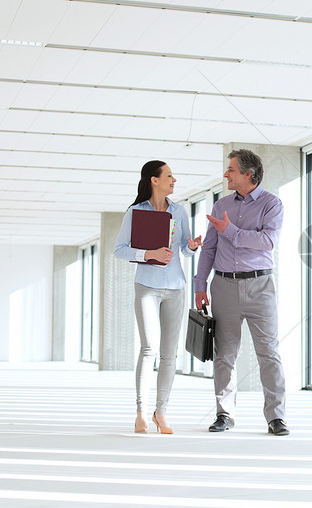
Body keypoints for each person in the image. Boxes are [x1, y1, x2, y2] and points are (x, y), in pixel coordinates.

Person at [194, 149, 288, 436]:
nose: (226, 174)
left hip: (260, 287)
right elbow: (209, 248)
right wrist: (200, 284)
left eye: (231, 170)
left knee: (269, 354)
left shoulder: (272, 204)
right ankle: (225, 413)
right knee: (224, 355)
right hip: (223, 286)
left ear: (249, 174)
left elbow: (267, 241)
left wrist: (231, 230)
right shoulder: (221, 204)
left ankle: (276, 417)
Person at [114, 160, 202, 434]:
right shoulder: (135, 212)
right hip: (147, 287)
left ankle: (161, 411)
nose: (174, 180)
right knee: (148, 348)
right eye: (169, 175)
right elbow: (119, 250)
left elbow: (184, 251)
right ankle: (141, 411)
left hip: (176, 288)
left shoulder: (180, 211)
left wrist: (191, 247)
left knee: (169, 355)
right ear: (154, 180)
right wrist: (148, 254)